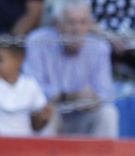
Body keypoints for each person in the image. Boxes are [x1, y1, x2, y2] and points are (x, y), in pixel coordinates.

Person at [23, 0, 117, 138]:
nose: (77, 29)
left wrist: (93, 99)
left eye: (83, 22)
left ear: (90, 25)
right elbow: (31, 90)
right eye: (71, 22)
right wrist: (69, 96)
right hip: (51, 114)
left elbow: (107, 93)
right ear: (58, 24)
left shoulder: (99, 47)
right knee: (46, 112)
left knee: (108, 113)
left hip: (83, 116)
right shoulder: (37, 41)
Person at [0, 36, 50, 136]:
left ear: (19, 60)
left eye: (0, 60)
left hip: (24, 142)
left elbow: (36, 125)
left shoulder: (30, 85)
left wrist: (43, 117)